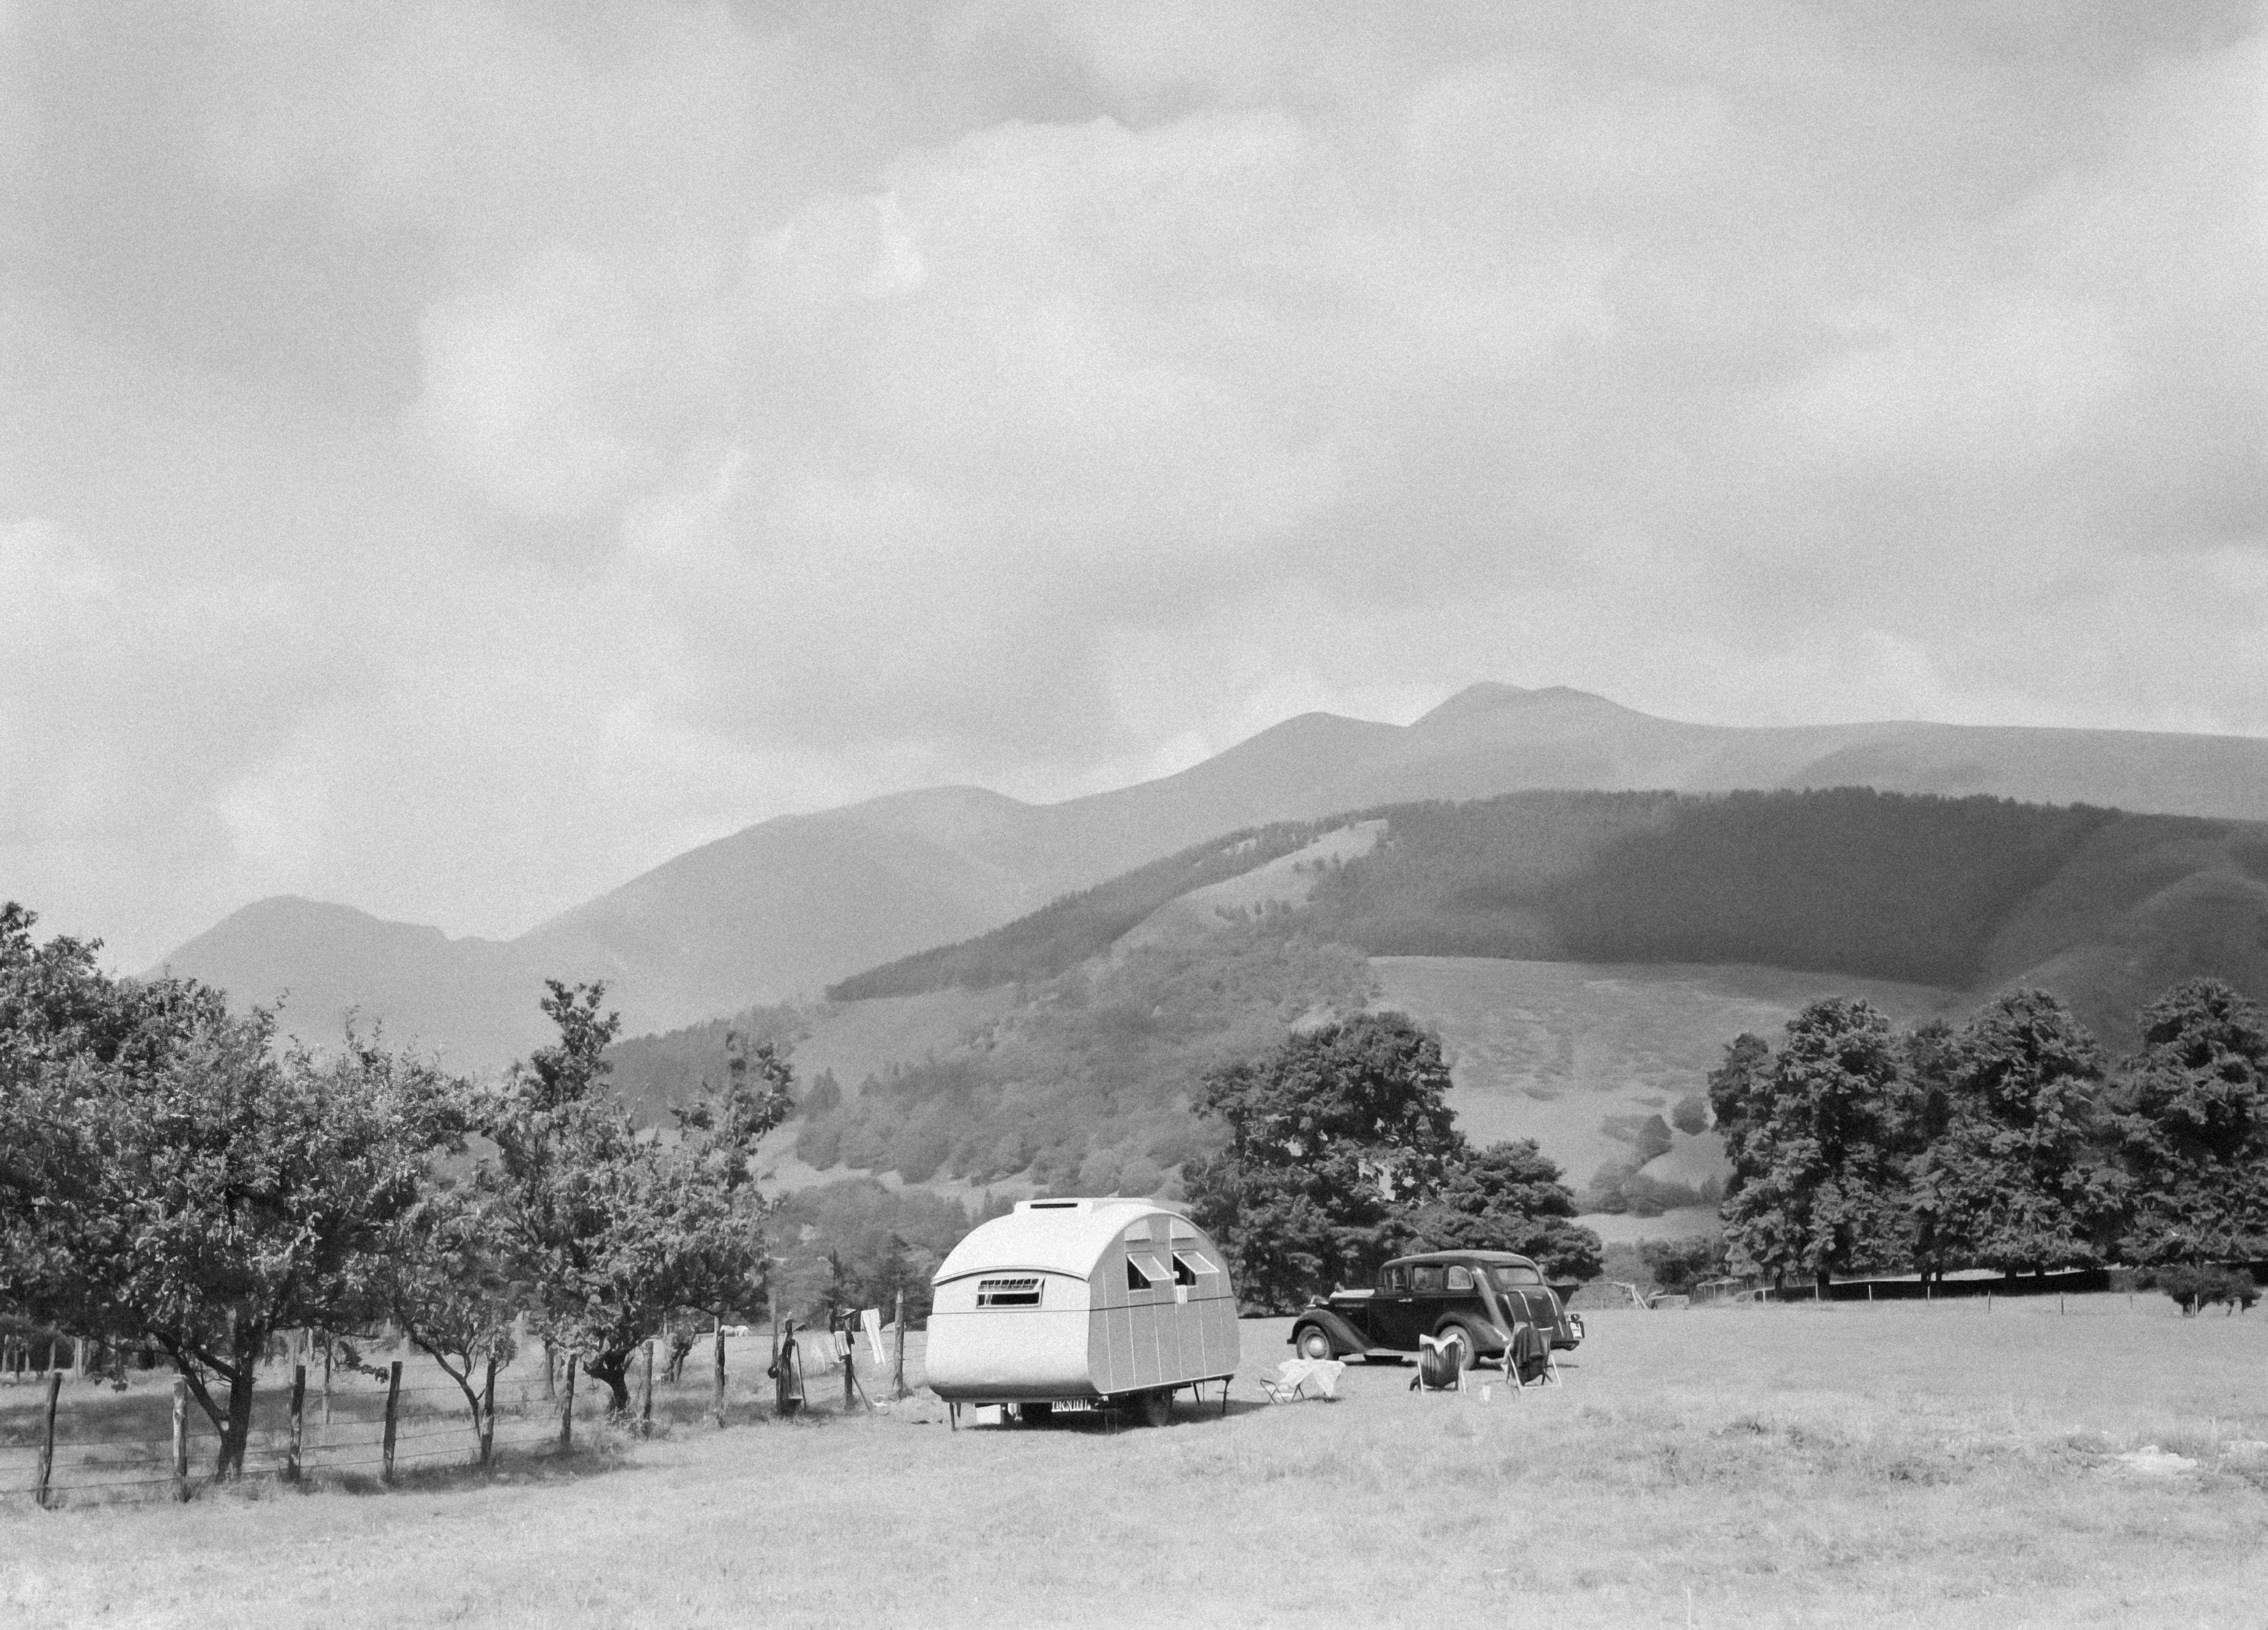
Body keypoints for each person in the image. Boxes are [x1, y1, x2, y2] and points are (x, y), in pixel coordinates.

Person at [767, 1320, 805, 1418]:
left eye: (789, 1326)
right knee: (785, 1383)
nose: (787, 1328)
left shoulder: (792, 1339)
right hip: (784, 1363)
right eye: (787, 1326)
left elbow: (787, 1354)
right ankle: (785, 1406)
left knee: (789, 1382)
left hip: (788, 1364)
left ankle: (789, 1406)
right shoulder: (786, 1337)